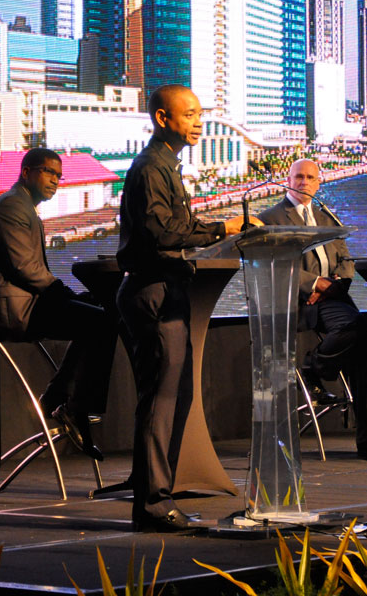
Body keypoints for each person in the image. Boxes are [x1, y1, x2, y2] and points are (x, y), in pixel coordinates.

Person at [116, 84, 259, 532]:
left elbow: (177, 226)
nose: (199, 122)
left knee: (176, 398)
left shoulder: (166, 166)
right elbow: (163, 233)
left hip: (169, 289)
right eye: (190, 114)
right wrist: (224, 228)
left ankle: (160, 499)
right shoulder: (150, 168)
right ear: (163, 119)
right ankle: (153, 507)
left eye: (200, 114)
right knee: (161, 402)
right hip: (154, 291)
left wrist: (222, 230)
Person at [0, 147, 115, 460]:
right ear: (27, 172)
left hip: (26, 302)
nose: (55, 180)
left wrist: (67, 295)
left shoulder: (23, 206)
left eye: (59, 176)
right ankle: (72, 407)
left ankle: (60, 397)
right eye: (49, 172)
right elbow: (25, 268)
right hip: (13, 310)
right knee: (101, 321)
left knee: (101, 311)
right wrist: (63, 293)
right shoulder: (12, 207)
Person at [259, 158, 367, 460]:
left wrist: (338, 283)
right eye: (298, 177)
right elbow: (273, 266)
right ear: (288, 179)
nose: (303, 182)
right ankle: (314, 366)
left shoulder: (326, 216)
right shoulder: (270, 218)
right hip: (300, 300)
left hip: (334, 296)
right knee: (355, 331)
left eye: (310, 177)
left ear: (319, 183)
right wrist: (316, 284)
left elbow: (346, 259)